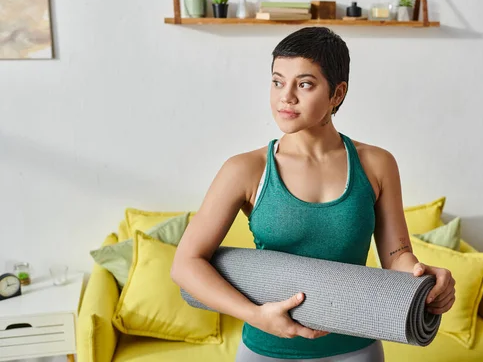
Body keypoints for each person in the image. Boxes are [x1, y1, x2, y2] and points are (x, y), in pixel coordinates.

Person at [171, 27, 456, 362]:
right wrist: (254, 315)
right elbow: (185, 264)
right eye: (277, 81)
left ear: (337, 93)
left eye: (304, 84)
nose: (285, 96)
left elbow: (396, 256)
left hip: (356, 351)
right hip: (267, 351)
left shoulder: (376, 164)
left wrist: (425, 277)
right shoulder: (245, 170)